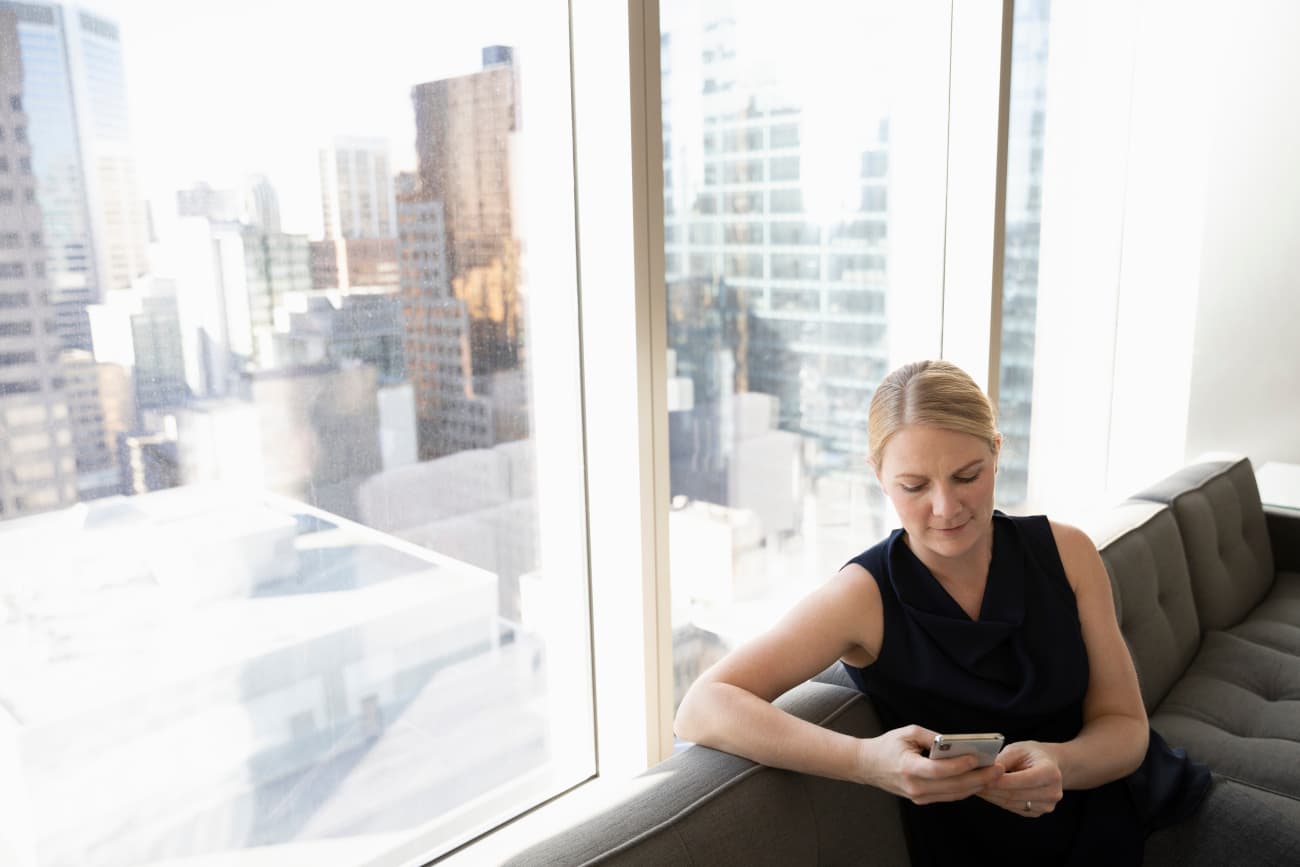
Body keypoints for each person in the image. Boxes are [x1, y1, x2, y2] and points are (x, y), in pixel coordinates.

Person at [674, 360, 1209, 866]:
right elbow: (701, 706)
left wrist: (1062, 765)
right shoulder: (862, 596)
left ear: (997, 452)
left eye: (967, 475)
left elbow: (1125, 728)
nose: (946, 508)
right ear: (879, 476)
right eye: (914, 486)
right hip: (979, 850)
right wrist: (866, 762)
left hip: (1126, 806)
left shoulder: (1068, 553)